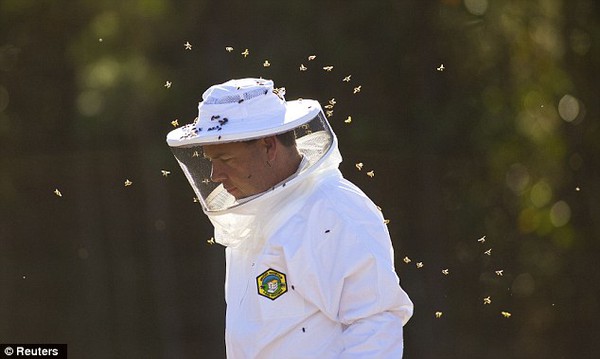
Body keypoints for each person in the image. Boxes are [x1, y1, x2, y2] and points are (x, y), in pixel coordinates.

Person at [167, 78, 413, 358]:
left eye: (226, 159)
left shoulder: (333, 210)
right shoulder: (255, 216)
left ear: (269, 146)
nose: (215, 176)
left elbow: (375, 326)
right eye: (211, 160)